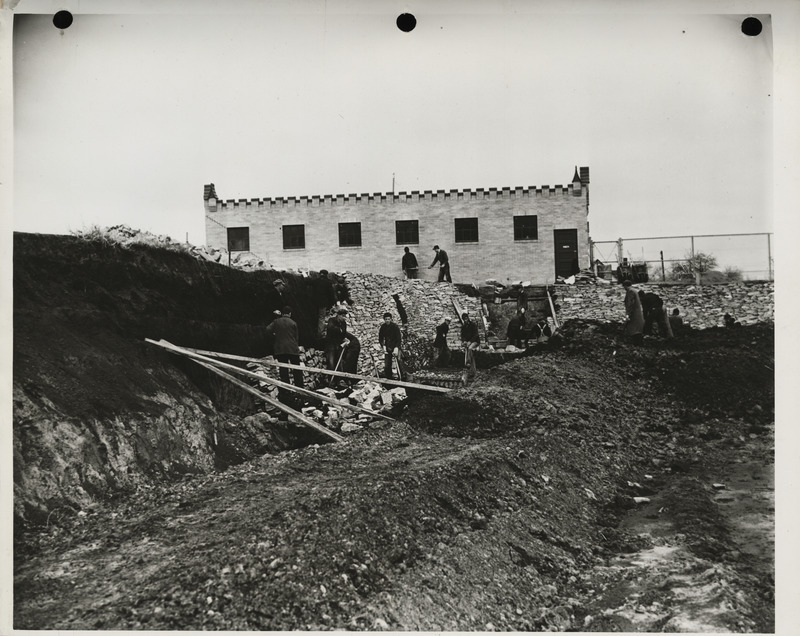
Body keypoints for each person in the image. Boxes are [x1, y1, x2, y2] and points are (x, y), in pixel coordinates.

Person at [265, 306, 304, 389]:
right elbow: (296, 338)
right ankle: (299, 388)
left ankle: (286, 390)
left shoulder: (276, 322)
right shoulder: (293, 323)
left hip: (280, 349)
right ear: (290, 313)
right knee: (296, 369)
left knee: (283, 370)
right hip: (292, 349)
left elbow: (267, 329)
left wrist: (274, 335)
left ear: (282, 313)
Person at [378, 312, 404, 379]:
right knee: (387, 365)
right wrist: (383, 345)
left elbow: (399, 338)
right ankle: (389, 378)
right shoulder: (383, 327)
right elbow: (380, 338)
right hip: (388, 347)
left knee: (399, 362)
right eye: (386, 319)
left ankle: (402, 377)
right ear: (384, 319)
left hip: (395, 346)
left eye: (388, 319)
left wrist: (396, 347)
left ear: (391, 319)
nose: (387, 320)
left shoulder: (395, 327)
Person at [324, 307, 348, 374]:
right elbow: (331, 329)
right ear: (339, 315)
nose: (344, 318)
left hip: (339, 345)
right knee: (331, 362)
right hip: (331, 345)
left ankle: (338, 379)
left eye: (345, 316)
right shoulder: (332, 320)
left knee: (339, 362)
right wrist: (339, 330)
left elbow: (344, 333)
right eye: (343, 316)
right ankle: (331, 380)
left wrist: (344, 340)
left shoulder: (343, 323)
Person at [314, 269, 337, 337]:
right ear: (326, 275)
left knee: (315, 317)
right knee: (321, 318)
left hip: (314, 303)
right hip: (323, 303)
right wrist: (333, 303)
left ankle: (314, 331)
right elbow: (331, 294)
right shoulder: (328, 283)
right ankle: (320, 333)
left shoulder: (315, 281)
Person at [622, 280, 644, 345]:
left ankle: (636, 344)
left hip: (634, 314)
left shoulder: (630, 291)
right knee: (637, 329)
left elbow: (630, 304)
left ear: (625, 286)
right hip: (636, 313)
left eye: (624, 287)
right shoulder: (634, 291)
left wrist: (627, 314)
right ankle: (638, 343)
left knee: (634, 329)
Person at [460, 311, 480, 379]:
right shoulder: (463, 327)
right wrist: (464, 341)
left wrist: (470, 341)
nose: (465, 320)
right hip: (468, 343)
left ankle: (468, 363)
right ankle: (472, 372)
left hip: (475, 341)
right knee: (470, 355)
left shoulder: (473, 325)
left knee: (470, 348)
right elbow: (462, 335)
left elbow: (475, 335)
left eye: (466, 319)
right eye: (464, 319)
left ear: (468, 318)